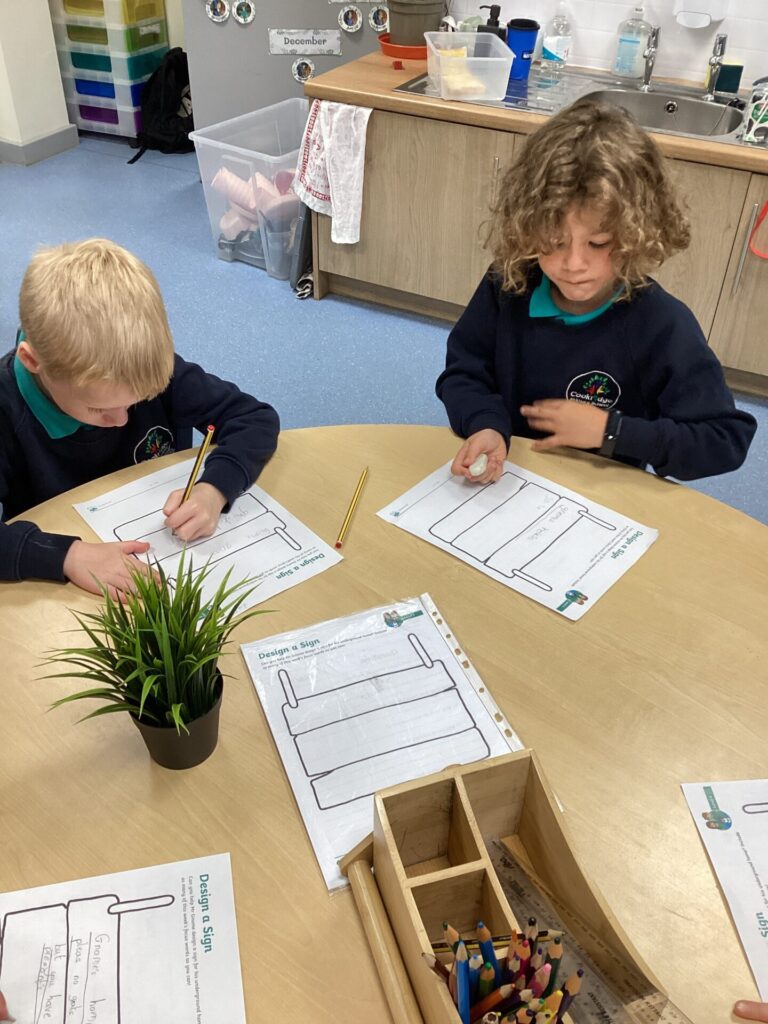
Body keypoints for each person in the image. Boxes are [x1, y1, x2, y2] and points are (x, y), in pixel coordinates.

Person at [436, 98, 756, 485]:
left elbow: (724, 440)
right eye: (553, 241)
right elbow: (463, 373)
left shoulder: (662, 323)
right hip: (510, 484)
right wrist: (484, 423)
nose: (573, 264)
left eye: (599, 243)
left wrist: (612, 431)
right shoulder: (507, 284)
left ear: (636, 234)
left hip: (604, 497)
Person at [0, 238, 279, 596]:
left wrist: (215, 489)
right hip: (58, 589)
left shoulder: (143, 370)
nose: (121, 420)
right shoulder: (7, 408)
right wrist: (66, 555)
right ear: (33, 361)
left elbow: (254, 418)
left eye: (136, 403)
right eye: (99, 409)